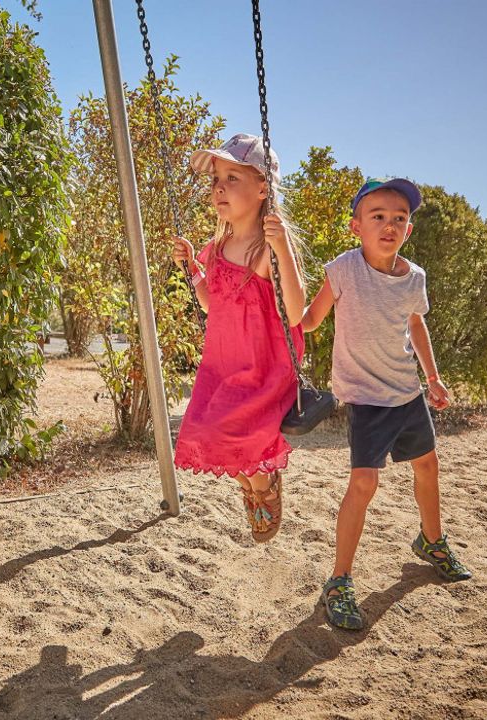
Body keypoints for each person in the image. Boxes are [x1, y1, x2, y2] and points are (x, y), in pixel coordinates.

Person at [301, 177, 472, 629]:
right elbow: (311, 320)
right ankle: (338, 580)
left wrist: (432, 377)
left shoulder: (413, 277)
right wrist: (280, 305)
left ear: (408, 230)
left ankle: (432, 541)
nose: (389, 225)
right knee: (364, 484)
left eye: (399, 218)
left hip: (406, 392)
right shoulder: (344, 269)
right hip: (366, 398)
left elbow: (416, 326)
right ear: (357, 227)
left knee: (428, 466)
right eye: (378, 216)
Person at [172, 133, 306, 543]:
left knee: (240, 435)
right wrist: (193, 268)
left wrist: (282, 248)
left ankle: (262, 486)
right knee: (212, 431)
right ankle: (255, 482)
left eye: (232, 178)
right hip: (225, 362)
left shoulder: (266, 249)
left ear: (262, 188)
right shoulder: (219, 246)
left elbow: (297, 312)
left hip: (264, 366)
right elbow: (212, 303)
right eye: (216, 180)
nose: (218, 188)